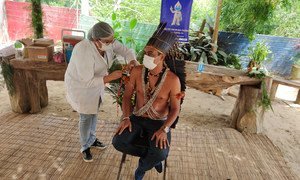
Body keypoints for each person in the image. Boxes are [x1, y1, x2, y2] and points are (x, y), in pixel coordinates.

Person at [112, 22, 186, 180]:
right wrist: (126, 117)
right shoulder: (137, 72)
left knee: (161, 152)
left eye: (151, 53)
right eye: (145, 52)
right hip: (137, 118)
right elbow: (126, 96)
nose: (146, 56)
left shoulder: (173, 80)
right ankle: (152, 160)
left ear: (162, 57)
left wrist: (165, 129)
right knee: (118, 142)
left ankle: (144, 166)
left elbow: (175, 109)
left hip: (159, 122)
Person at [65, 21, 139, 162]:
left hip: (97, 84)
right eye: (107, 41)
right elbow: (86, 81)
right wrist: (111, 77)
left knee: (94, 112)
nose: (111, 44)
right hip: (81, 87)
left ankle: (91, 139)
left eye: (112, 40)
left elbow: (126, 51)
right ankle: (85, 146)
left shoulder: (107, 42)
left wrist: (132, 61)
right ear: (95, 40)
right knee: (86, 117)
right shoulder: (83, 50)